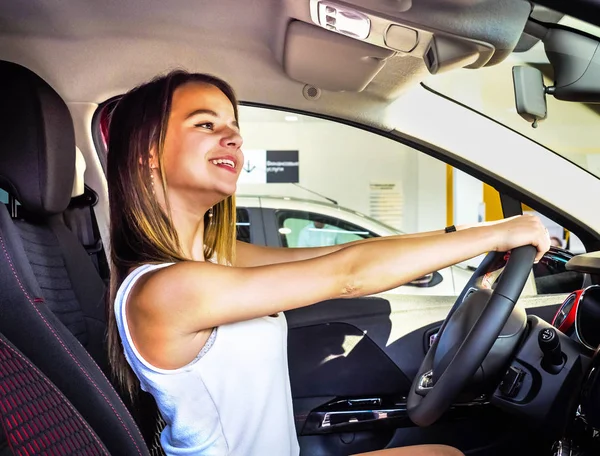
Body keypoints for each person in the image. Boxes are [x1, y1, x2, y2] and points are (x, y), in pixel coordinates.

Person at [106, 70, 550, 456]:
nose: (235, 138)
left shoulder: (216, 261)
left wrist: (465, 239)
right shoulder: (166, 290)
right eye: (206, 124)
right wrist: (497, 233)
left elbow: (332, 256)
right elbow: (348, 275)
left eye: (234, 127)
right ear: (147, 151)